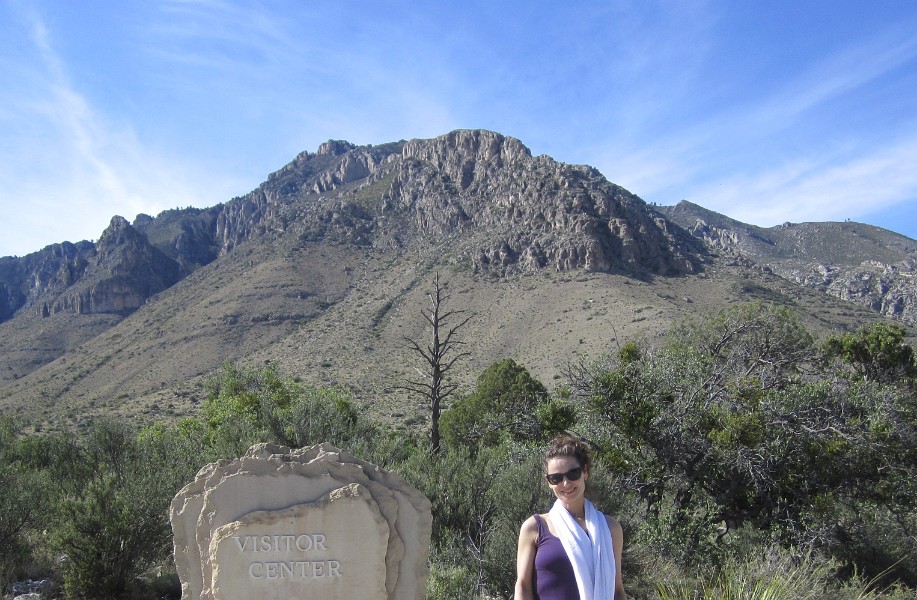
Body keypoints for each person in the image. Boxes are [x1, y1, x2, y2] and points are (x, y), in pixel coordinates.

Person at [515, 436, 626, 600]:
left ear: (585, 472)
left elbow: (617, 589)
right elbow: (523, 586)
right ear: (549, 482)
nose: (565, 484)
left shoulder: (610, 528)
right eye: (556, 478)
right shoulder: (534, 527)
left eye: (572, 473)